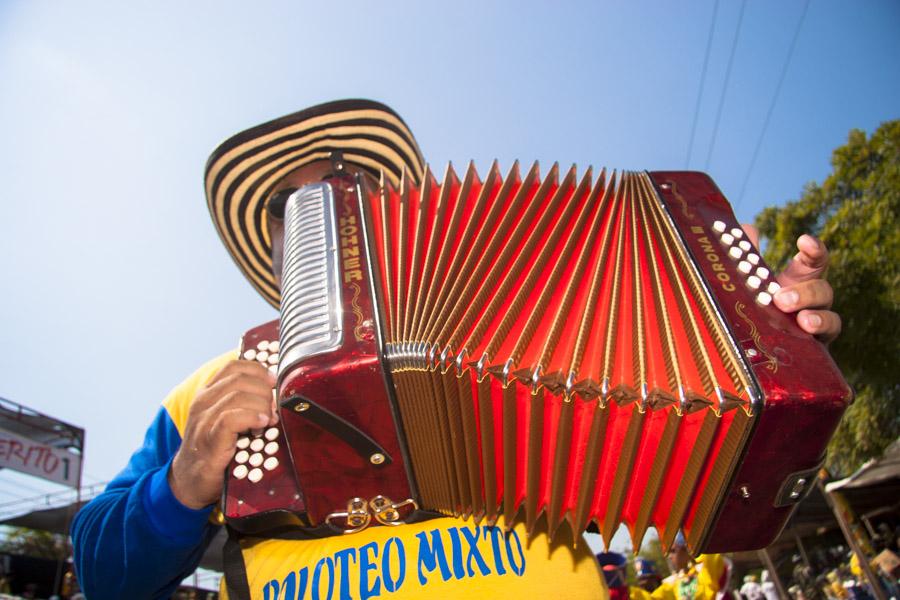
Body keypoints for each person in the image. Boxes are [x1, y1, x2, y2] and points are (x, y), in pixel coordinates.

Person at [70, 98, 844, 600]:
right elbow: (100, 574)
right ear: (276, 253)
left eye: (350, 184)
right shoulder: (210, 394)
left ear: (399, 212)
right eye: (294, 206)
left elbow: (705, 460)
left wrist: (757, 331)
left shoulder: (544, 319)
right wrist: (180, 482)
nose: (330, 206)